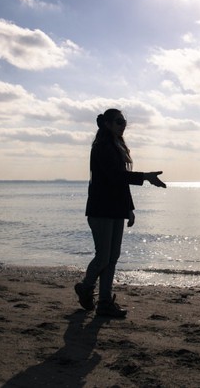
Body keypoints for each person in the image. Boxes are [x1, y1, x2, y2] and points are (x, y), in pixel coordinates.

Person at [74, 108, 166, 318]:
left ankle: (105, 302)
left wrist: (129, 209)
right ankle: (86, 287)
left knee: (112, 257)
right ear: (107, 124)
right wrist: (146, 177)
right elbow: (117, 176)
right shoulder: (102, 146)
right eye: (118, 121)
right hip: (101, 209)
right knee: (104, 257)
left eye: (124, 121)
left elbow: (121, 182)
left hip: (115, 208)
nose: (122, 125)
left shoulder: (116, 146)